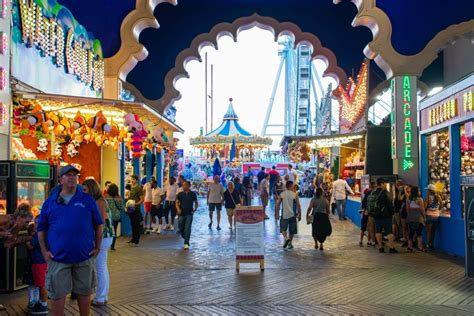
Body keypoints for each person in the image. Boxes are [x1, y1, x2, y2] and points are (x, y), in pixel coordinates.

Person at [37, 165, 103, 316]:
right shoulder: (50, 202)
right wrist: (44, 251)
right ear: (60, 180)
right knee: (57, 294)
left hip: (84, 257)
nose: (72, 177)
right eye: (68, 175)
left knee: (85, 292)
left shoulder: (87, 200)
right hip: (58, 258)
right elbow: (41, 229)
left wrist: (98, 247)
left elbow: (99, 224)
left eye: (75, 175)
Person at [82, 179, 114, 306]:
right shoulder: (99, 200)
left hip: (102, 237)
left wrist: (97, 242)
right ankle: (102, 295)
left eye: (85, 189)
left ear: (91, 189)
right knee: (101, 266)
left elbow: (100, 222)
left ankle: (100, 296)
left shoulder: (98, 201)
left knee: (99, 267)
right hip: (105, 236)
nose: (83, 192)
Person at [367, 177, 398, 253]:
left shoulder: (372, 192)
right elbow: (390, 204)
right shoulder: (385, 192)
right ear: (382, 183)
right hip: (386, 215)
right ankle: (391, 247)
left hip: (376, 215)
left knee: (378, 231)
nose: (385, 185)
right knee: (389, 232)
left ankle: (380, 247)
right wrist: (392, 212)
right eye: (384, 183)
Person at [25, 215, 48, 314]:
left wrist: (26, 241)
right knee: (41, 284)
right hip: (44, 262)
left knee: (41, 285)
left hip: (38, 262)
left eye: (38, 222)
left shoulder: (38, 234)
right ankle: (40, 303)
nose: (37, 224)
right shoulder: (48, 233)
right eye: (36, 222)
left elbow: (30, 246)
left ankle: (43, 306)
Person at [276, 181, 301, 249]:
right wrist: (300, 214)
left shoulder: (282, 194)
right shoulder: (295, 194)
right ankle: (290, 243)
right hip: (293, 215)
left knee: (283, 228)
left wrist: (277, 214)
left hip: (284, 215)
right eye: (293, 185)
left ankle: (286, 238)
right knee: (292, 230)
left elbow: (277, 204)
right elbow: (298, 205)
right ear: (291, 186)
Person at [176, 181, 198, 249]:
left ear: (189, 186)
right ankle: (184, 236)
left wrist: (195, 209)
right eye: (183, 185)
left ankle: (186, 242)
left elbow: (196, 202)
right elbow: (176, 203)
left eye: (185, 185)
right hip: (181, 214)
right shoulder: (180, 194)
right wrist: (178, 209)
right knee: (181, 228)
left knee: (187, 228)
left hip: (189, 213)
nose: (184, 186)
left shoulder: (193, 194)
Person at [406, 186, 426, 252]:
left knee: (410, 233)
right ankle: (420, 247)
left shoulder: (408, 199)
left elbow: (407, 209)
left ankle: (409, 247)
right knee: (419, 233)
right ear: (417, 192)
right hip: (418, 218)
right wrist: (424, 217)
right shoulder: (420, 199)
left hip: (411, 217)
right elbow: (422, 209)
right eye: (419, 190)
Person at [105, 183, 125, 251]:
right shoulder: (118, 197)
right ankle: (112, 245)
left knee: (107, 230)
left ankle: (106, 243)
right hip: (116, 216)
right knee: (114, 230)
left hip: (108, 216)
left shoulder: (106, 197)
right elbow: (122, 208)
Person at [425, 184, 442, 251]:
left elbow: (425, 207)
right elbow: (441, 205)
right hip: (436, 216)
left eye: (428, 190)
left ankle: (428, 244)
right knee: (433, 231)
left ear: (430, 191)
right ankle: (432, 244)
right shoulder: (438, 197)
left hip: (429, 215)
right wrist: (436, 210)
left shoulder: (428, 198)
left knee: (428, 232)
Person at [127, 175, 144, 245]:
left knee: (136, 224)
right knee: (132, 224)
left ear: (136, 180)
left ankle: (136, 240)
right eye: (131, 179)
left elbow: (142, 199)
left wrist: (136, 204)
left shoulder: (138, 188)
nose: (132, 181)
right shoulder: (131, 188)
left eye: (133, 179)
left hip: (136, 209)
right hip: (130, 207)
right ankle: (133, 239)